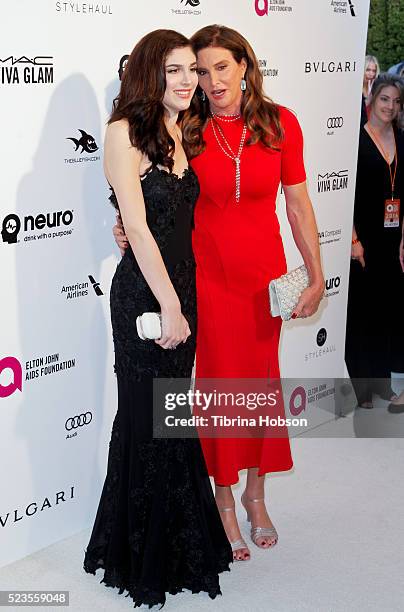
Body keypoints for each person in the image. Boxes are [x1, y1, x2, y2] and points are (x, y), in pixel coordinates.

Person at [114, 24, 324, 561]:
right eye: (200, 71)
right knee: (213, 392)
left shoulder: (281, 125)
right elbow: (158, 196)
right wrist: (125, 229)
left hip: (263, 280)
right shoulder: (187, 128)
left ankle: (256, 493)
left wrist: (317, 272)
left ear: (245, 66)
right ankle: (224, 501)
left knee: (258, 389)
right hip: (205, 277)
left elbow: (299, 207)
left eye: (220, 68)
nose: (209, 81)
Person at [83, 29, 232, 608]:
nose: (189, 81)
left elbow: (172, 221)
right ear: (148, 72)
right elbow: (139, 227)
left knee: (170, 415)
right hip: (146, 298)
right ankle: (140, 554)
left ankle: (178, 543)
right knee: (146, 416)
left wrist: (182, 298)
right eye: (174, 70)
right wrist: (168, 303)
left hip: (182, 290)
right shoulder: (123, 132)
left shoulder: (178, 131)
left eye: (192, 70)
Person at [346, 73, 404, 413]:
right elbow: (345, 196)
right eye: (385, 99)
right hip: (362, 239)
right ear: (372, 99)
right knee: (361, 313)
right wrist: (353, 239)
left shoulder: (401, 138)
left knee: (386, 312)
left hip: (391, 239)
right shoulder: (355, 140)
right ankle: (361, 390)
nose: (390, 107)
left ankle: (381, 385)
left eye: (396, 102)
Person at [361, 55, 380, 127]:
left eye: (374, 71)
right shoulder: (356, 88)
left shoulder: (375, 87)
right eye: (368, 70)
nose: (371, 74)